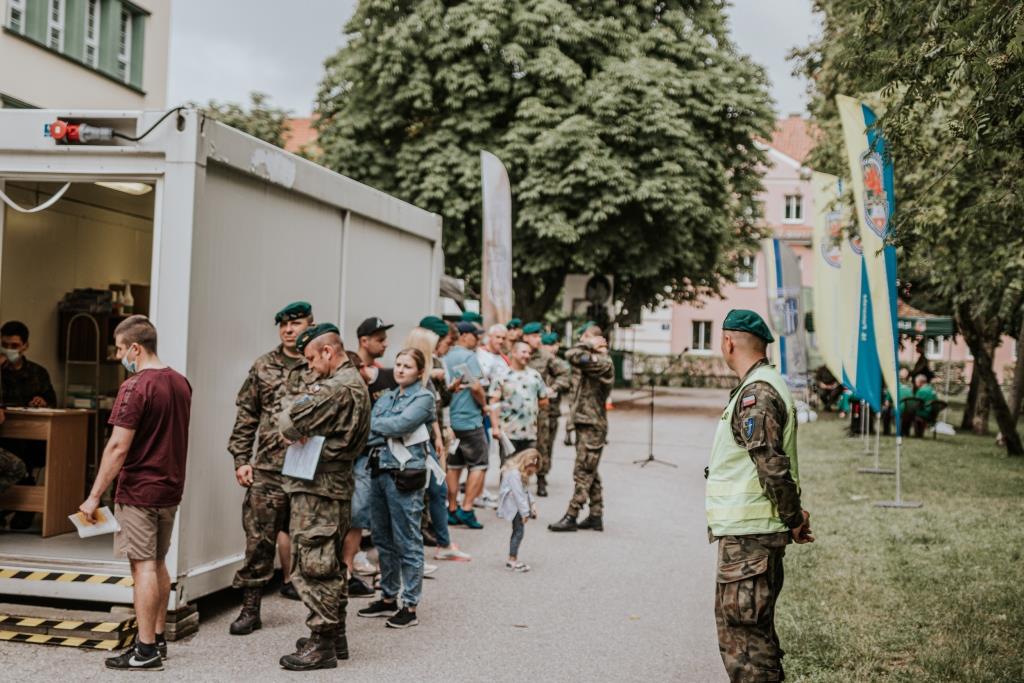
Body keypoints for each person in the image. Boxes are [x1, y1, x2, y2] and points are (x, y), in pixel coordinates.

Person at [704, 309, 814, 683]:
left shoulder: (757, 394)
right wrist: (793, 518)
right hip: (750, 537)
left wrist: (794, 518)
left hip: (751, 540)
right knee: (752, 639)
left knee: (747, 649)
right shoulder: (763, 385)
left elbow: (771, 466)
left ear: (728, 341)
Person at [78, 315, 192, 671]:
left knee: (141, 567)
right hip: (169, 489)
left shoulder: (135, 387)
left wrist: (95, 495)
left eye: (119, 348)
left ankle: (144, 651)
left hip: (139, 490)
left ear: (135, 348)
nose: (118, 356)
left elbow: (117, 447)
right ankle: (157, 638)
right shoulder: (181, 383)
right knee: (157, 563)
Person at [277, 324, 370, 671]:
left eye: (313, 359)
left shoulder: (337, 388)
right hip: (331, 485)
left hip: (320, 489)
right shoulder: (351, 382)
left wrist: (293, 414)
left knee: (314, 564)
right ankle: (335, 635)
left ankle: (322, 643)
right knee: (328, 563)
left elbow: (288, 421)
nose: (310, 367)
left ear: (328, 352)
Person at [226, 302, 312, 637]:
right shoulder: (264, 366)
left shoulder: (320, 362)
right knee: (258, 540)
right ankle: (251, 609)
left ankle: (318, 617)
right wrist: (241, 459)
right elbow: (246, 416)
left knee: (313, 542)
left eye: (296, 323)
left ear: (310, 325)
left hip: (309, 471)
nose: (289, 330)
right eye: (283, 325)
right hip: (268, 469)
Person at [357, 348, 434, 629]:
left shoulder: (424, 398)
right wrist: (384, 429)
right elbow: (368, 431)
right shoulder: (387, 397)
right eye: (398, 365)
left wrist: (379, 427)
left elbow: (403, 424)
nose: (400, 370)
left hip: (405, 474)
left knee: (408, 540)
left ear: (419, 371)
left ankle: (410, 604)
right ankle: (388, 596)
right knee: (382, 538)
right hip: (378, 470)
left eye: (407, 366)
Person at [343, 316, 399, 598]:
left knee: (359, 512)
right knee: (349, 511)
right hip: (346, 454)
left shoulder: (385, 376)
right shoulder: (348, 371)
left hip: (368, 455)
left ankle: (348, 569)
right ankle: (344, 570)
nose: (385, 344)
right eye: (380, 339)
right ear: (364, 341)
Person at [404, 326, 470, 563]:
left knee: (436, 489)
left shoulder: (431, 372)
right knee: (419, 495)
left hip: (430, 441)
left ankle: (443, 543)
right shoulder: (411, 374)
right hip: (414, 444)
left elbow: (435, 407)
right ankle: (422, 549)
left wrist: (440, 436)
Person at [549, 326, 613, 533]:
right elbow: (574, 356)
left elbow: (571, 354)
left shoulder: (603, 362)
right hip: (585, 422)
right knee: (590, 469)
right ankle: (596, 515)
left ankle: (572, 514)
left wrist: (589, 343)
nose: (581, 340)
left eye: (585, 337)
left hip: (593, 424)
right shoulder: (591, 359)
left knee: (583, 471)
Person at [444, 322, 489, 530]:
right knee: (479, 464)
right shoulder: (468, 357)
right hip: (470, 419)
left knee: (454, 466)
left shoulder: (445, 354)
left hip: (451, 422)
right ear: (464, 335)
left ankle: (452, 509)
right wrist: (485, 404)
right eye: (475, 335)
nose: (477, 339)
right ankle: (467, 508)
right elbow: (476, 386)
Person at [522, 322, 570, 496]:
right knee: (518, 445)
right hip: (518, 410)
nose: (538, 339)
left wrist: (554, 388)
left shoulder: (546, 356)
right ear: (525, 337)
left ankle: (541, 479)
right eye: (534, 336)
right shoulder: (516, 352)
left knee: (542, 444)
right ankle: (515, 479)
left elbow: (565, 373)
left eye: (539, 336)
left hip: (540, 409)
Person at [489, 340, 549, 461]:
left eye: (529, 353)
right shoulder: (502, 375)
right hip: (508, 432)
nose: (527, 355)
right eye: (524, 352)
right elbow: (493, 403)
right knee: (507, 469)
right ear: (514, 353)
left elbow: (544, 400)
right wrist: (495, 427)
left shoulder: (535, 375)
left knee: (527, 469)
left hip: (530, 433)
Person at [498, 449, 540, 573]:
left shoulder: (519, 473)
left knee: (518, 531)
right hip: (514, 506)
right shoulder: (514, 474)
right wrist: (525, 513)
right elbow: (518, 494)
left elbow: (525, 491)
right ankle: (512, 559)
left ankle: (513, 558)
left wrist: (532, 504)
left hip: (517, 506)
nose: (532, 471)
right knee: (518, 532)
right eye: (531, 467)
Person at [0, 320, 57, 408]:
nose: (8, 350)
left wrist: (41, 402)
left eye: (14, 346)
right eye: (4, 345)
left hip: (28, 419)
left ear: (25, 346)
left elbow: (52, 403)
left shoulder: (38, 372)